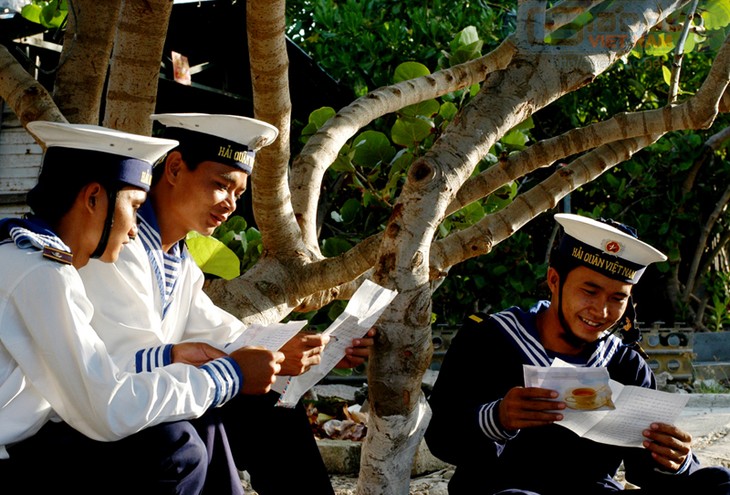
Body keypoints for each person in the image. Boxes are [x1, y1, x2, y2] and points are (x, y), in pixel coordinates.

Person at [80, 113, 375, 495]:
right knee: (201, 431)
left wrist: (321, 349)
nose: (230, 204)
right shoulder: (119, 248)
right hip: (101, 415)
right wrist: (250, 363)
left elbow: (223, 332)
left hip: (152, 402)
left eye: (238, 194)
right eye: (221, 185)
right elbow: (136, 361)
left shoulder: (177, 259)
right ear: (173, 168)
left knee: (270, 409)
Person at [0, 121, 285, 493]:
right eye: (134, 207)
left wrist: (182, 359)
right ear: (93, 199)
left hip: (31, 441)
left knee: (197, 429)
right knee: (176, 447)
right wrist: (226, 376)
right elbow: (108, 408)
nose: (134, 229)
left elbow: (99, 373)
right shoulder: (42, 272)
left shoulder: (29, 260)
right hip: (19, 453)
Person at [425, 213, 730, 494]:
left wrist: (676, 459)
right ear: (555, 280)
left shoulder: (626, 365)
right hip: (499, 488)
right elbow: (440, 437)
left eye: (617, 298)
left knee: (717, 482)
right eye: (589, 291)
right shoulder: (490, 340)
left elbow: (644, 472)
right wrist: (498, 418)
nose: (602, 311)